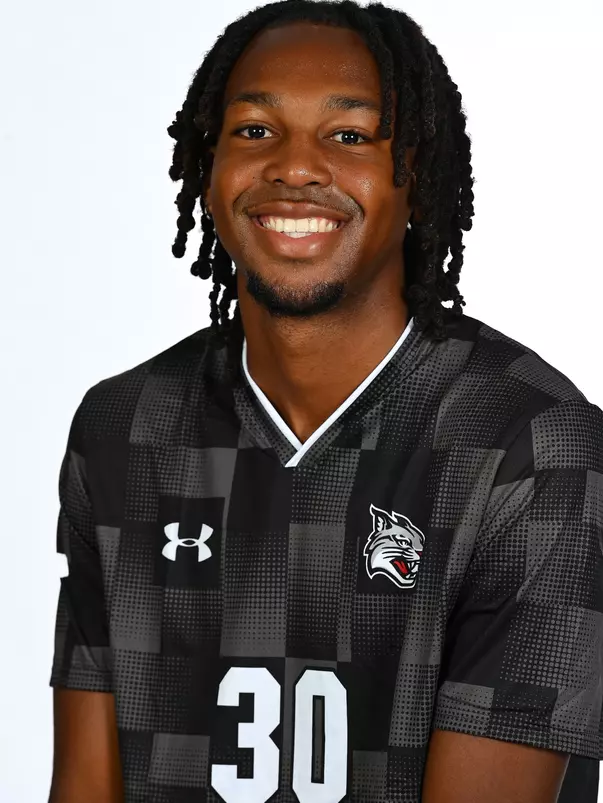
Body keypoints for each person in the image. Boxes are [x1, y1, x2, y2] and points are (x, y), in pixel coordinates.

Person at [48, 1, 603, 801]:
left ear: (415, 174)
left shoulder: (530, 441)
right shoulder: (123, 427)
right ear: (207, 169)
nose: (294, 167)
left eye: (348, 137)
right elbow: (84, 784)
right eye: (252, 130)